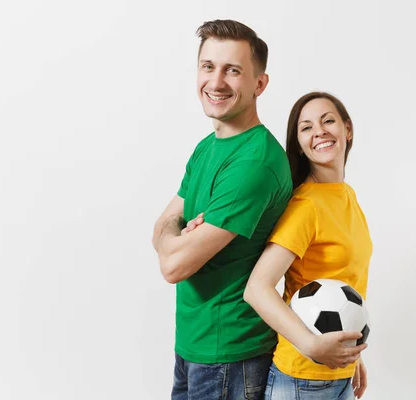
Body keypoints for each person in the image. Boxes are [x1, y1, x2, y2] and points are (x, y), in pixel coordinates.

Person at [150, 20, 292, 399]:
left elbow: (173, 266)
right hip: (193, 346)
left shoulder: (254, 161)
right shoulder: (206, 147)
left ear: (259, 84)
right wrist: (175, 234)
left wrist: (173, 240)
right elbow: (161, 224)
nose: (216, 82)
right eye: (208, 66)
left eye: (233, 70)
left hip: (231, 355)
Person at [243, 92, 373, 399]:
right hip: (302, 380)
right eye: (306, 127)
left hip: (336, 374)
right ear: (300, 146)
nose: (319, 131)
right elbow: (257, 288)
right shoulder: (306, 206)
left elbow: (342, 287)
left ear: (347, 129)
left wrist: (352, 353)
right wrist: (312, 345)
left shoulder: (346, 195)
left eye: (328, 120)